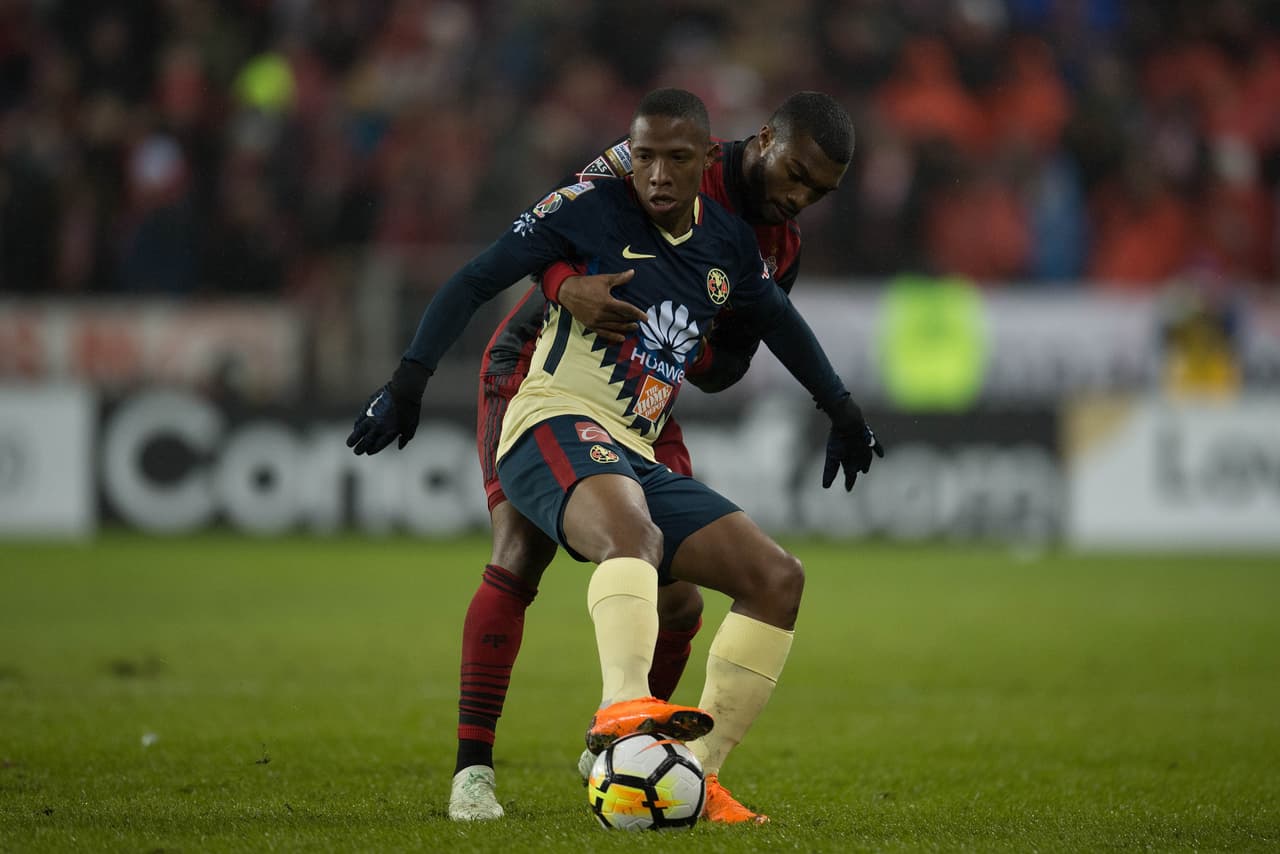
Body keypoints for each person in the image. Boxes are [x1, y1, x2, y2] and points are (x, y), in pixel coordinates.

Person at [347, 88, 883, 824]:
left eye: (818, 192)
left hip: (643, 403)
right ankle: (481, 768)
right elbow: (530, 250)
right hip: (540, 371)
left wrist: (828, 401)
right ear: (760, 141)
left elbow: (741, 354)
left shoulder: (761, 246)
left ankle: (675, 767)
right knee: (524, 556)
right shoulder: (653, 164)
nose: (799, 198)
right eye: (795, 175)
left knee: (699, 595)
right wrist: (563, 288)